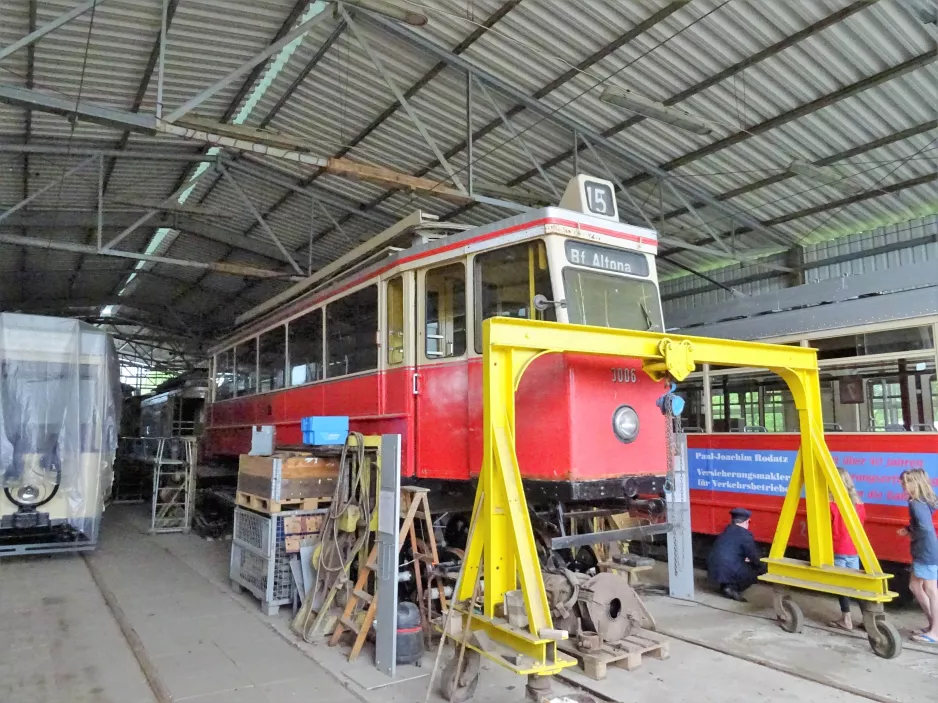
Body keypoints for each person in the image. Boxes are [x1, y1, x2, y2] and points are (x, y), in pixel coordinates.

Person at [898, 469, 938, 644]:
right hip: (927, 549)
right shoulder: (925, 500)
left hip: (925, 551)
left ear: (915, 483)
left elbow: (925, 527)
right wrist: (908, 529)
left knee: (930, 590)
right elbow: (922, 523)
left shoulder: (915, 503)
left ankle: (935, 632)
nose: (903, 485)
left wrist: (911, 533)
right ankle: (932, 625)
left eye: (906, 482)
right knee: (915, 586)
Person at [829, 467, 867, 631]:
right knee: (857, 586)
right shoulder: (859, 504)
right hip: (854, 549)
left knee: (841, 585)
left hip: (838, 548)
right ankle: (868, 619)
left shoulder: (831, 505)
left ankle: (846, 620)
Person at [708, 507, 766, 602]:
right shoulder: (745, 535)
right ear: (747, 522)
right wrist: (764, 568)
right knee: (755, 569)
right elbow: (754, 556)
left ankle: (725, 585)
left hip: (713, 571)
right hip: (728, 568)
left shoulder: (726, 530)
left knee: (731, 564)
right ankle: (732, 588)